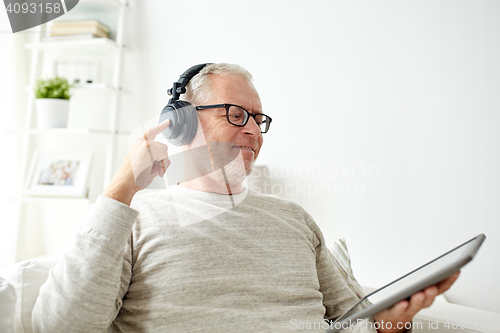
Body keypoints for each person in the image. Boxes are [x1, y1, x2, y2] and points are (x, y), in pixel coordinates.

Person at [32, 63, 459, 333]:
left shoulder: (295, 219)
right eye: (236, 114)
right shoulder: (131, 216)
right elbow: (61, 326)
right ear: (180, 124)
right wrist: (122, 185)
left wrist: (391, 324)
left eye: (259, 119)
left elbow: (354, 321)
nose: (253, 131)